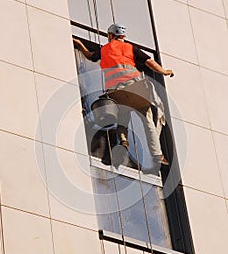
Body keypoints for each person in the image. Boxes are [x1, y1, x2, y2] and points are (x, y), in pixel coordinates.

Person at [73, 23, 174, 165]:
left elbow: (89, 56)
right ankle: (157, 154)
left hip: (115, 91)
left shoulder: (104, 50)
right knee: (147, 118)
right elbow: (150, 63)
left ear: (110, 35)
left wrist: (79, 44)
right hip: (134, 87)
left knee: (122, 116)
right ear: (122, 36)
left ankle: (123, 141)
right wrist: (164, 71)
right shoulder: (130, 48)